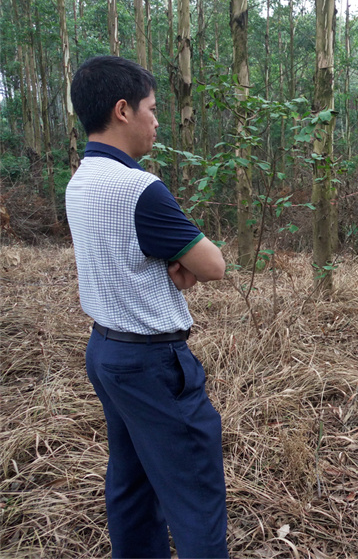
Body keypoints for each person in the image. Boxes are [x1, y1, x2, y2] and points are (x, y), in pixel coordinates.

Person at [65, 55, 229, 557]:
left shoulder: (80, 182)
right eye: (151, 110)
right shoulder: (140, 189)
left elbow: (132, 263)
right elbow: (212, 265)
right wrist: (180, 267)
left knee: (131, 482)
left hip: (107, 351)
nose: (157, 121)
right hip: (154, 363)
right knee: (195, 495)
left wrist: (174, 269)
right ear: (122, 110)